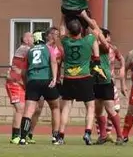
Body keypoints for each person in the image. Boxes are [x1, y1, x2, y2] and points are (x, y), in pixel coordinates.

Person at [57, 13, 106, 145]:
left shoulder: (65, 41)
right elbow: (96, 28)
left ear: (69, 30)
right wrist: (85, 16)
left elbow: (61, 29)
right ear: (81, 30)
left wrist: (63, 16)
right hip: (84, 77)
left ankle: (60, 135)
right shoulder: (88, 40)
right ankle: (87, 133)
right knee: (90, 106)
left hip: (68, 77)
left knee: (66, 107)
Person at [18, 31, 61, 146]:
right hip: (46, 80)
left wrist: (26, 84)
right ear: (43, 38)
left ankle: (22, 138)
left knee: (28, 111)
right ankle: (55, 137)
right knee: (55, 107)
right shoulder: (48, 48)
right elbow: (53, 61)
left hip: (32, 81)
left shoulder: (29, 51)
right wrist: (54, 78)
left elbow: (23, 72)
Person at [92, 28, 126, 145]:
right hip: (95, 82)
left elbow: (119, 56)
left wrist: (122, 70)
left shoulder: (106, 48)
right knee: (98, 111)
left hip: (106, 81)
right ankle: (103, 135)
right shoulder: (91, 45)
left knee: (111, 109)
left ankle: (120, 136)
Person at [6, 32, 33, 144]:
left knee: (26, 109)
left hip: (21, 83)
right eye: (31, 37)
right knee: (20, 109)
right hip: (14, 82)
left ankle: (23, 134)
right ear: (25, 39)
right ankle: (15, 136)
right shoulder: (24, 49)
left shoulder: (27, 50)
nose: (33, 39)